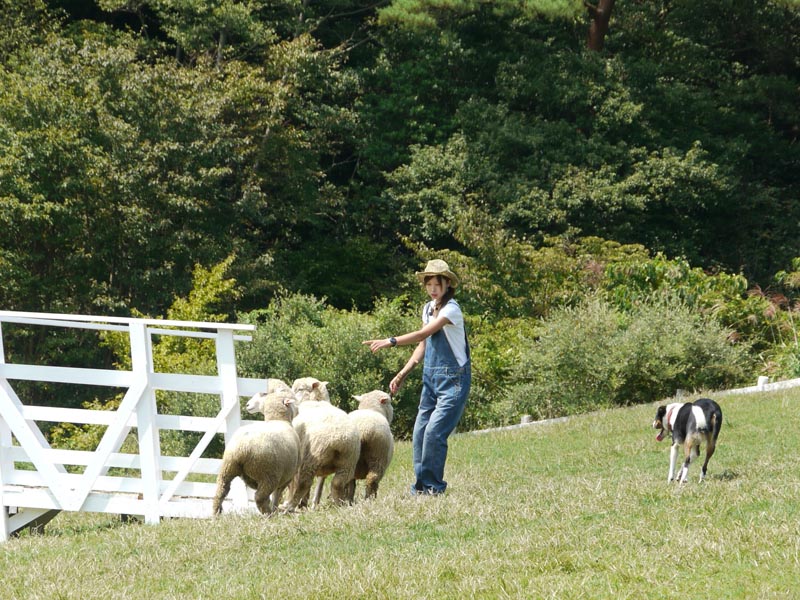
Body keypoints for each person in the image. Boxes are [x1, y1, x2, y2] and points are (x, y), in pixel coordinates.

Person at [363, 259, 471, 495]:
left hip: (453, 380)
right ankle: (421, 487)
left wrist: (391, 341)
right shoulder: (427, 308)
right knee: (420, 432)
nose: (432, 288)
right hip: (431, 380)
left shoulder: (452, 309)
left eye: (437, 283)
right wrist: (403, 372)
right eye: (428, 283)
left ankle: (433, 487)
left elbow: (424, 332)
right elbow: (424, 344)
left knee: (434, 432)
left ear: (447, 285)